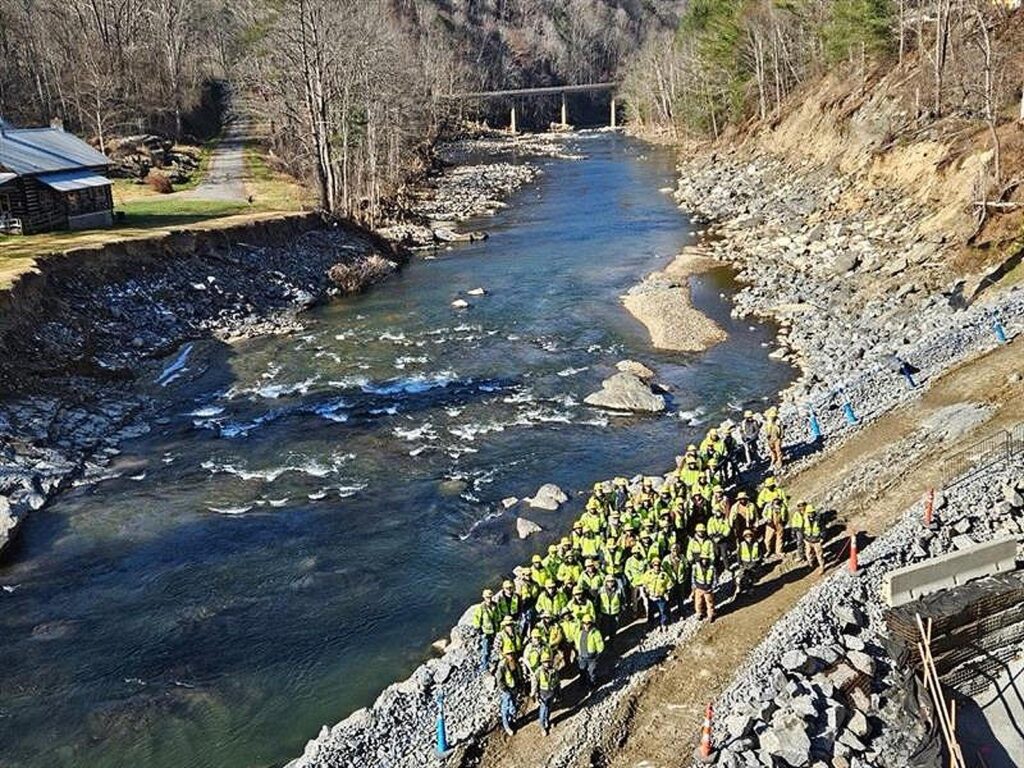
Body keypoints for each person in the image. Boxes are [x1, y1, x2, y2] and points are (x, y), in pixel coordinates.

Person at [576, 616, 605, 690]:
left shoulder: (595, 632)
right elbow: (577, 642)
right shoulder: (580, 633)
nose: (586, 625)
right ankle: (582, 683)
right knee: (582, 671)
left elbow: (599, 643)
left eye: (588, 623)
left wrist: (598, 653)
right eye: (584, 623)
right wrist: (579, 652)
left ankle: (592, 685)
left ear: (591, 623)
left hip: (592, 657)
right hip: (582, 656)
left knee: (592, 672)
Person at [644, 557, 673, 628]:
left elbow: (669, 585)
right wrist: (646, 591)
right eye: (655, 565)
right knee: (651, 611)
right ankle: (651, 623)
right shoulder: (648, 574)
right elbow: (645, 583)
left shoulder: (664, 575)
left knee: (663, 611)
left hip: (660, 596)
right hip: (651, 597)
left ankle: (663, 623)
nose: (657, 566)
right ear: (652, 565)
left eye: (658, 565)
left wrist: (667, 593)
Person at [473, 588, 498, 673]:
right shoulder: (481, 608)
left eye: (490, 597)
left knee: (494, 648)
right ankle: (484, 667)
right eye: (487, 597)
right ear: (484, 597)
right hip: (486, 632)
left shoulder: (495, 605)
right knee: (485, 651)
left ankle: (491, 661)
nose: (489, 599)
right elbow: (477, 620)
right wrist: (479, 631)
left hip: (494, 631)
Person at [735, 528, 764, 598]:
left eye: (750, 535)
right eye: (746, 536)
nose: (748, 537)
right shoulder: (742, 545)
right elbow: (738, 555)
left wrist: (758, 562)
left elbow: (760, 554)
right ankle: (738, 588)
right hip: (745, 563)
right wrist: (740, 564)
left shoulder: (756, 544)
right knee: (738, 577)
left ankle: (750, 590)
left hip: (754, 564)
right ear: (744, 537)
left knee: (750, 577)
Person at [497, 650, 521, 735]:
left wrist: (520, 684)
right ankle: (506, 725)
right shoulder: (502, 665)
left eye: (511, 653)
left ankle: (511, 720)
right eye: (508, 654)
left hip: (514, 687)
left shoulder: (515, 661)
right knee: (505, 707)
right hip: (507, 689)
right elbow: (499, 680)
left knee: (513, 704)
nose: (510, 655)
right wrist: (504, 689)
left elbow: (518, 674)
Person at [536, 650, 560, 735]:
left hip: (551, 693)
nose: (547, 664)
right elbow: (535, 683)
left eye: (549, 662)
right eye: (545, 662)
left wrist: (558, 693)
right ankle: (542, 726)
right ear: (542, 662)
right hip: (543, 694)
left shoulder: (554, 671)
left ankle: (547, 720)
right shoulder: (539, 671)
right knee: (543, 709)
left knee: (549, 709)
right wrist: (536, 694)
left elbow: (557, 682)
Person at [522, 627, 546, 699]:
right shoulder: (529, 647)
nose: (537, 639)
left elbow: (549, 654)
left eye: (538, 637)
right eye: (535, 637)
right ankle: (533, 695)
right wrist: (530, 669)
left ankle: (540, 696)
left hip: (542, 667)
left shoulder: (544, 646)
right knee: (534, 683)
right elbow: (525, 659)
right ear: (532, 638)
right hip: (533, 669)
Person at [692, 554, 717, 623]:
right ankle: (699, 613)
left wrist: (712, 587)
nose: (704, 561)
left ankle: (711, 615)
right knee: (698, 602)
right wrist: (694, 587)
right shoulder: (696, 567)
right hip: (699, 588)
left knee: (710, 603)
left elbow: (715, 578)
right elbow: (693, 577)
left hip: (708, 589)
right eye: (703, 559)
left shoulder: (712, 568)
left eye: (706, 559)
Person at [802, 504, 826, 575]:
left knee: (819, 554)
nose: (810, 514)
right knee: (808, 553)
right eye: (809, 512)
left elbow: (823, 529)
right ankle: (811, 565)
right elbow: (803, 528)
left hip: (817, 540)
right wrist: (804, 538)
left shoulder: (819, 519)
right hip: (808, 540)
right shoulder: (805, 519)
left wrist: (822, 537)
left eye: (811, 512)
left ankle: (822, 567)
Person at [597, 574, 622, 640]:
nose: (610, 583)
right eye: (608, 581)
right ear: (605, 582)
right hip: (604, 613)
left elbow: (622, 600)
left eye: (612, 581)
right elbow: (598, 601)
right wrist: (599, 612)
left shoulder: (619, 590)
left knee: (613, 629)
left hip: (615, 613)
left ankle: (612, 642)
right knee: (604, 629)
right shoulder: (601, 590)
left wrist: (620, 612)